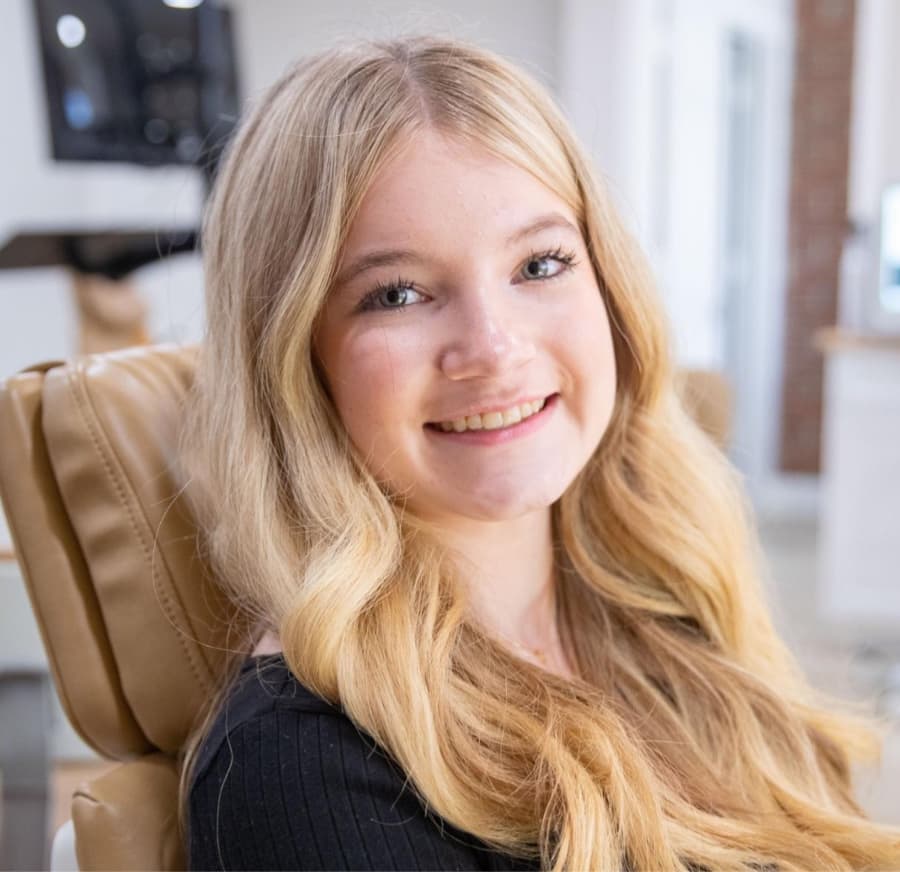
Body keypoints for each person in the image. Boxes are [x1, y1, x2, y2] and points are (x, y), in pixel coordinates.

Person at [180, 36, 900, 871]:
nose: (492, 348)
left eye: (540, 263)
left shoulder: (659, 609)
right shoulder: (301, 774)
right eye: (397, 293)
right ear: (296, 360)